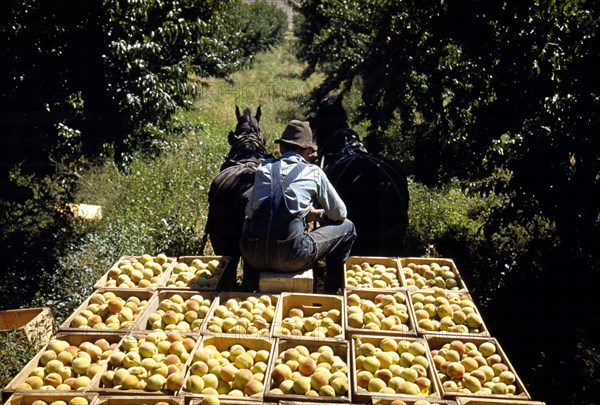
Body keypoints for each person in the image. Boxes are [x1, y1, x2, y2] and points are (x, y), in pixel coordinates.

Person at [240, 120, 356, 293]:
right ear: (308, 151)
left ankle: (249, 282)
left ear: (281, 148)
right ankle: (332, 288)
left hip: (253, 255)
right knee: (348, 227)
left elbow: (249, 211)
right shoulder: (313, 172)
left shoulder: (263, 168)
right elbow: (339, 213)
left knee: (247, 221)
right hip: (292, 257)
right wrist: (316, 214)